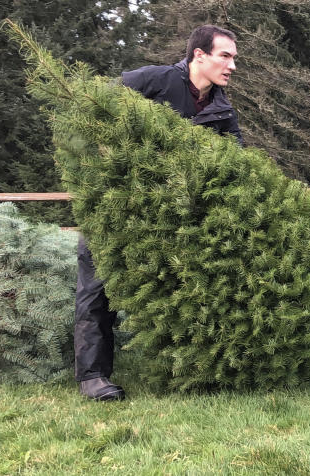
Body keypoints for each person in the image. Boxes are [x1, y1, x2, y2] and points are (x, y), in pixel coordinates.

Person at [76, 25, 242, 401]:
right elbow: (93, 103)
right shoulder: (154, 80)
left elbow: (236, 162)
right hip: (116, 200)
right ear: (198, 55)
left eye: (234, 58)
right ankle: (93, 377)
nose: (232, 66)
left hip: (173, 215)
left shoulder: (222, 110)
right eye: (225, 56)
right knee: (97, 288)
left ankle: (183, 370)